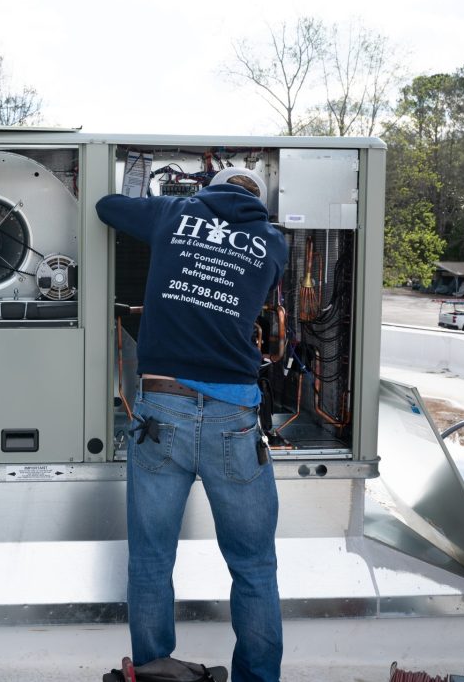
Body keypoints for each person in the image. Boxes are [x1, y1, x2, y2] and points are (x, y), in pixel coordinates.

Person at [95, 167, 289, 682]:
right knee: (254, 567)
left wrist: (171, 209)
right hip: (236, 421)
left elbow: (106, 208)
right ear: (261, 198)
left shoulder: (176, 213)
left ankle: (156, 673)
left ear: (211, 187)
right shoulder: (273, 242)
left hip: (162, 410)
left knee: (152, 562)